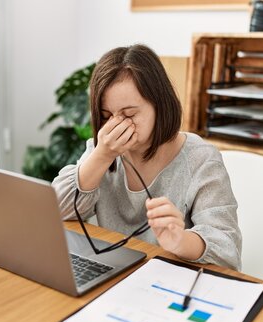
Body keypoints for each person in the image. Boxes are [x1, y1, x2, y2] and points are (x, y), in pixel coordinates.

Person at [52, 44, 241, 270]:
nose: (116, 125)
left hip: (172, 279)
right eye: (106, 116)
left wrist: (181, 240)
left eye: (129, 114)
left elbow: (227, 249)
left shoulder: (201, 159)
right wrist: (101, 156)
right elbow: (57, 210)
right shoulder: (102, 150)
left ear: (159, 105)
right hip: (117, 273)